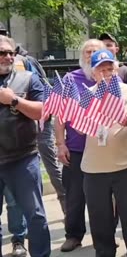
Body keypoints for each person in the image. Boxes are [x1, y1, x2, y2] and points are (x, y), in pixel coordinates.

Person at [81, 49, 127, 257]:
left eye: (110, 68)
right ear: (93, 73)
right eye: (101, 69)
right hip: (93, 169)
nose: (106, 73)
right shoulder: (86, 95)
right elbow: (76, 125)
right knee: (100, 222)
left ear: (117, 70)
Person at [0, 35, 51, 256]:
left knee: (36, 216)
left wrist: (14, 100)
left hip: (23, 158)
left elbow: (42, 111)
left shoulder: (28, 78)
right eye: (2, 52)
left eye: (11, 52)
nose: (8, 57)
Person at [55, 39, 105, 252]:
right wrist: (60, 143)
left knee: (102, 197)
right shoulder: (69, 79)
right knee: (74, 195)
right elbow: (59, 114)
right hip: (76, 148)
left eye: (95, 52)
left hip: (104, 149)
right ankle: (73, 235)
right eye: (87, 51)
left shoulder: (110, 78)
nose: (90, 55)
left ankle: (104, 237)